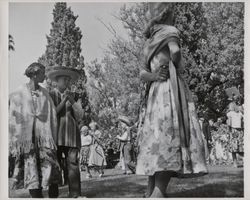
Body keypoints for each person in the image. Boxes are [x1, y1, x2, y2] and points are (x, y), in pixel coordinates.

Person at [136, 4, 208, 198]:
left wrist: (154, 75)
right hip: (170, 88)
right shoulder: (170, 31)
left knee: (157, 139)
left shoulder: (149, 41)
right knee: (170, 137)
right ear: (167, 14)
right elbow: (175, 51)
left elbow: (142, 74)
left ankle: (150, 190)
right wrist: (174, 64)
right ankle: (158, 193)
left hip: (155, 93)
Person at [9, 62, 61, 198]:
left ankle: (53, 196)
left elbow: (52, 114)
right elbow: (14, 116)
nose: (45, 76)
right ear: (35, 74)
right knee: (32, 170)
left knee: (51, 167)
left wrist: (52, 134)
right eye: (43, 73)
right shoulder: (18, 93)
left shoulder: (45, 94)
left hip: (45, 137)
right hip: (27, 139)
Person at [48, 66, 84, 198]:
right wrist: (64, 100)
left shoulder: (75, 95)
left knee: (73, 165)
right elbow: (52, 114)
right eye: (65, 79)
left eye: (69, 80)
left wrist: (73, 101)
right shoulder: (50, 94)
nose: (67, 82)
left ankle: (75, 194)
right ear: (57, 81)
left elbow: (80, 115)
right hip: (55, 135)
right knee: (54, 166)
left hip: (72, 136)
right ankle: (53, 195)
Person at [227, 102, 244, 167]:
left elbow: (229, 123)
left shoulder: (230, 113)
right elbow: (242, 122)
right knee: (240, 147)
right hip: (240, 131)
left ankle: (235, 163)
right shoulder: (240, 113)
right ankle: (244, 161)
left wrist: (229, 131)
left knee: (233, 148)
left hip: (233, 131)